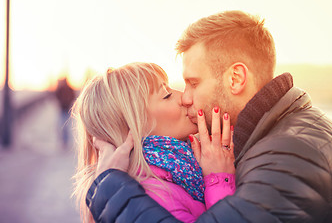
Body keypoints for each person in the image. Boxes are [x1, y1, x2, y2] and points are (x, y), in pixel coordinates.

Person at [86, 10, 332, 222]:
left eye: (193, 82)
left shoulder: (290, 154)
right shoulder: (269, 136)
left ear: (236, 78)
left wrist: (110, 188)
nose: (185, 97)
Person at [71, 62, 236, 223]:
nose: (185, 97)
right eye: (167, 95)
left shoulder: (181, 170)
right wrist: (219, 179)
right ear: (134, 126)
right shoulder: (154, 194)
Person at [54, 77, 76, 149]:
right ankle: (64, 142)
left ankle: (65, 142)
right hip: (62, 109)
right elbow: (56, 96)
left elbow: (73, 96)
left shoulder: (69, 89)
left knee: (66, 127)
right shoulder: (60, 89)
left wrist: (69, 102)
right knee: (62, 126)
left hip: (67, 110)